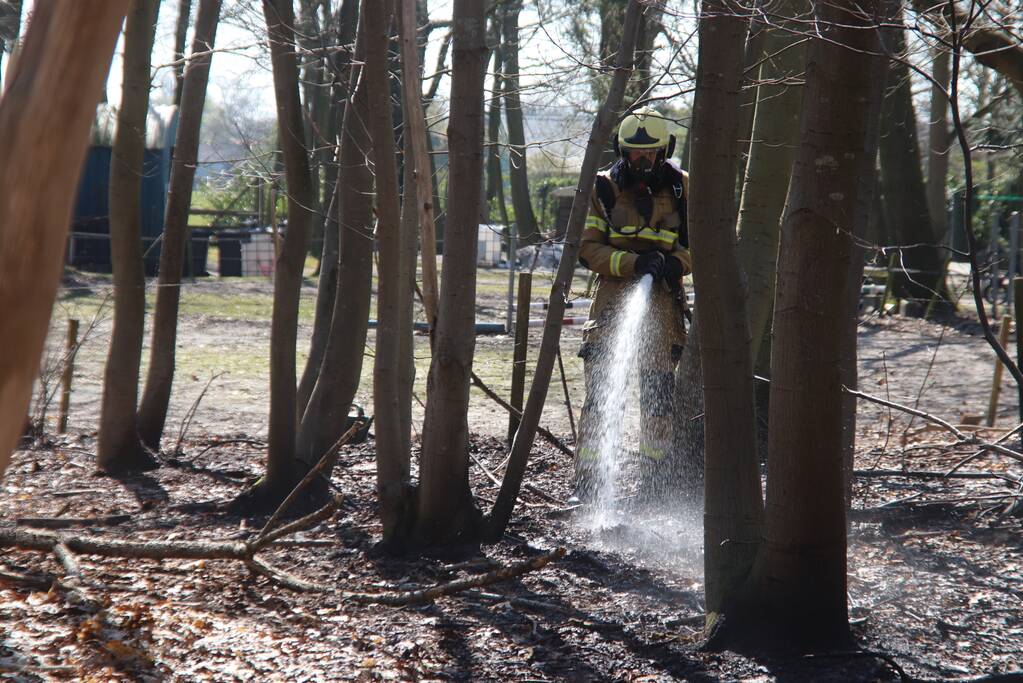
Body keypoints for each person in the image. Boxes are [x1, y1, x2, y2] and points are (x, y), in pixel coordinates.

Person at [571, 107, 690, 504]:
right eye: (634, 153)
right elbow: (587, 250)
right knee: (601, 395)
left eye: (651, 153)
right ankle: (587, 485)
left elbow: (699, 246)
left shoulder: (682, 189)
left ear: (664, 150)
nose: (642, 161)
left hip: (663, 302)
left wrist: (674, 264)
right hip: (611, 299)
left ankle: (653, 486)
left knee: (658, 396)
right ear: (622, 150)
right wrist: (634, 263)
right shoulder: (602, 188)